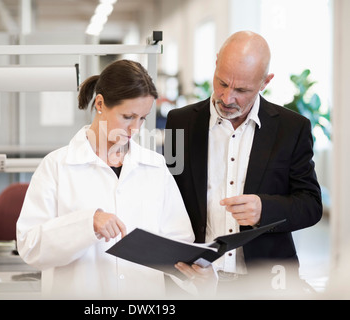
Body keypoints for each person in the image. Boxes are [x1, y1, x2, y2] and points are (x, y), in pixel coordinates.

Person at [16, 59, 216, 299]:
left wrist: (198, 275)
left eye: (142, 118)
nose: (135, 129)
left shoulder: (155, 167)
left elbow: (178, 245)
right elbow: (30, 246)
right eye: (128, 116)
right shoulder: (57, 166)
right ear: (100, 103)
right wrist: (87, 224)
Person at [164, 31, 322, 293]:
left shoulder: (292, 128)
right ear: (215, 63)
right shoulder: (179, 122)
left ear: (265, 82)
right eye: (222, 83)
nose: (227, 98)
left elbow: (311, 204)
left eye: (241, 90)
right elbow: (168, 194)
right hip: (196, 280)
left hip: (268, 282)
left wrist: (265, 209)